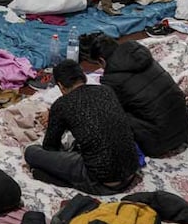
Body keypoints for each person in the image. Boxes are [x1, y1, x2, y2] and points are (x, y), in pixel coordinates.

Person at [24, 60, 139, 195]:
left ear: (60, 86)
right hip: (131, 171)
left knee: (31, 152)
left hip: (102, 180)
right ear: (83, 77)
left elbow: (50, 147)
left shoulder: (62, 104)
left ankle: (60, 179)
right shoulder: (106, 90)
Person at [96, 38, 188, 158]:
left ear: (102, 61)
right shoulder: (144, 57)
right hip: (185, 128)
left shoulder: (112, 79)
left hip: (161, 143)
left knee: (108, 114)